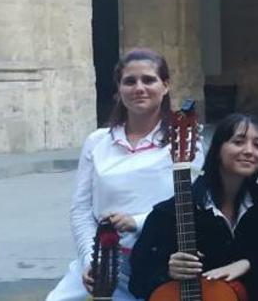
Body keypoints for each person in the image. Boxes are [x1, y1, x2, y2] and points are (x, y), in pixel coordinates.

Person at [46, 49, 203, 301]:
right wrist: (91, 260)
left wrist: (136, 221)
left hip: (157, 260)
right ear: (119, 89)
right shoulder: (98, 142)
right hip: (106, 257)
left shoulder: (183, 140)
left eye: (148, 80)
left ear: (165, 86)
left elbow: (192, 204)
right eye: (130, 81)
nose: (139, 88)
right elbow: (81, 210)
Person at [129, 114, 258, 301]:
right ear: (218, 149)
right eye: (238, 142)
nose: (249, 151)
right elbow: (138, 279)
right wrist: (167, 271)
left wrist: (249, 263)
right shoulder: (171, 213)